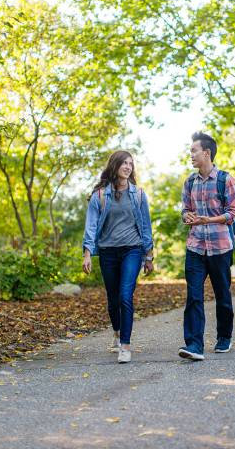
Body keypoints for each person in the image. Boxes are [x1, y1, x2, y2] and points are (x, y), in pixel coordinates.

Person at [82, 151, 154, 364]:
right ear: (114, 166)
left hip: (132, 250)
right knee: (113, 300)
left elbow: (146, 226)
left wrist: (149, 255)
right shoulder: (100, 196)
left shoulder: (139, 195)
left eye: (131, 163)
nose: (128, 167)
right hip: (108, 252)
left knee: (125, 295)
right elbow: (91, 226)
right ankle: (116, 331)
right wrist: (87, 254)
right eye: (124, 163)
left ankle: (125, 345)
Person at [180, 132, 235, 361]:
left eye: (194, 151)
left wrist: (210, 220)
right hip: (195, 246)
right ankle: (194, 345)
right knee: (194, 295)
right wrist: (187, 217)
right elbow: (185, 209)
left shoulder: (226, 180)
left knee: (222, 295)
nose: (191, 155)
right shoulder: (189, 182)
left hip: (220, 247)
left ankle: (224, 336)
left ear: (207, 153)